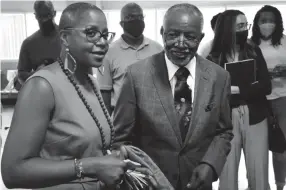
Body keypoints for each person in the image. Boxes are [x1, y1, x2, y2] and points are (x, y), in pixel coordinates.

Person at [1, 3, 159, 190]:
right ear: (65, 38)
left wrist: (113, 155)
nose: (102, 42)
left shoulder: (91, 82)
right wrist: (91, 166)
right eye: (91, 33)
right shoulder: (42, 86)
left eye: (104, 34)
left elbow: (89, 143)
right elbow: (12, 172)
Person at [113, 3, 233, 190]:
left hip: (198, 183)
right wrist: (141, 176)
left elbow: (223, 131)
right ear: (162, 33)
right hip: (149, 184)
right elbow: (120, 140)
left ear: (201, 38)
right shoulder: (136, 75)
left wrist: (210, 164)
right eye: (173, 35)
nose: (180, 43)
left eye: (190, 37)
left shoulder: (219, 77)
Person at [206, 10, 272, 190]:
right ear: (227, 29)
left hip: (256, 117)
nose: (246, 30)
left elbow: (266, 86)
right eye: (240, 26)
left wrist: (237, 90)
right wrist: (248, 89)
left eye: (246, 25)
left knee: (259, 173)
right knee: (226, 173)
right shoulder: (213, 57)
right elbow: (209, 92)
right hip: (225, 121)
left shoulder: (254, 50)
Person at [96, 2, 163, 114]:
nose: (136, 20)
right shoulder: (108, 52)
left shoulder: (158, 49)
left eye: (140, 17)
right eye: (130, 17)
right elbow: (104, 93)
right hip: (121, 117)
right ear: (121, 23)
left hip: (153, 116)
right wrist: (107, 124)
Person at [251, 5, 286, 190]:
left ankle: (280, 185)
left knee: (281, 148)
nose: (267, 24)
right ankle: (259, 185)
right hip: (259, 101)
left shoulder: (284, 42)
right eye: (263, 20)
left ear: (278, 22)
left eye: (271, 20)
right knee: (258, 150)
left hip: (283, 99)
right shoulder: (250, 44)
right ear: (256, 23)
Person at [17, 0, 61, 85]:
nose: (44, 20)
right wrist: (37, 74)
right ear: (35, 16)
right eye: (40, 16)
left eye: (47, 15)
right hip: (42, 92)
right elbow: (21, 75)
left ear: (54, 13)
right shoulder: (28, 43)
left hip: (68, 91)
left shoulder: (68, 38)